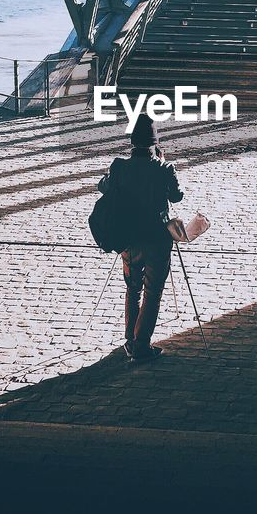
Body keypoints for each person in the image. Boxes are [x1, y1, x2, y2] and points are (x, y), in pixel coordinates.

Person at [97, 114, 183, 363]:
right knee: (152, 292)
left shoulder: (119, 167)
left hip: (129, 239)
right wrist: (164, 163)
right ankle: (141, 344)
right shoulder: (163, 168)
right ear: (155, 143)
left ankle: (129, 340)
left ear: (132, 142)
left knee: (132, 288)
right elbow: (177, 197)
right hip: (157, 240)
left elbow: (104, 187)